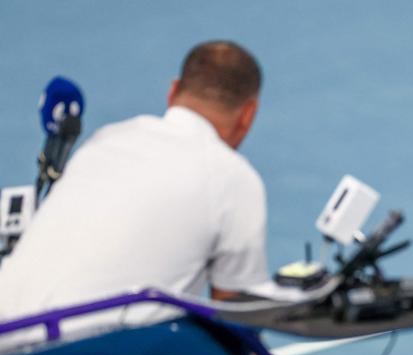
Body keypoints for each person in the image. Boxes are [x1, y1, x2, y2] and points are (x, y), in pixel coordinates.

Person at [0, 40, 273, 338]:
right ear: (248, 114)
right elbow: (236, 321)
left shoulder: (104, 141)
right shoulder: (235, 178)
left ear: (173, 90)